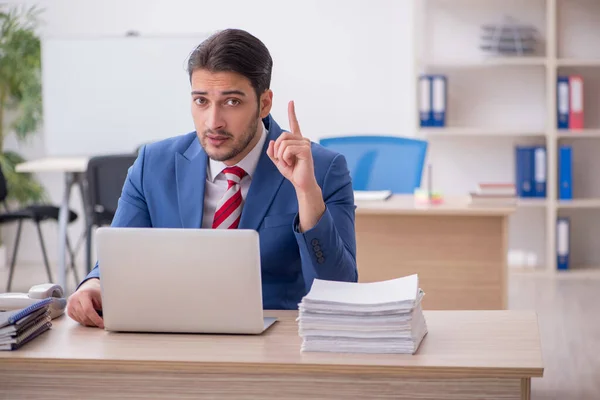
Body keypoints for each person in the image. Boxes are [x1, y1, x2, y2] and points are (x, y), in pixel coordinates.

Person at [67, 28, 357, 328]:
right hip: (173, 335)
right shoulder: (153, 164)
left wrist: (307, 193)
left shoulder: (322, 169)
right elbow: (117, 261)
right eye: (201, 101)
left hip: (275, 343)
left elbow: (339, 290)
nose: (213, 122)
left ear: (265, 103)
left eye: (232, 102)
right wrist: (94, 285)